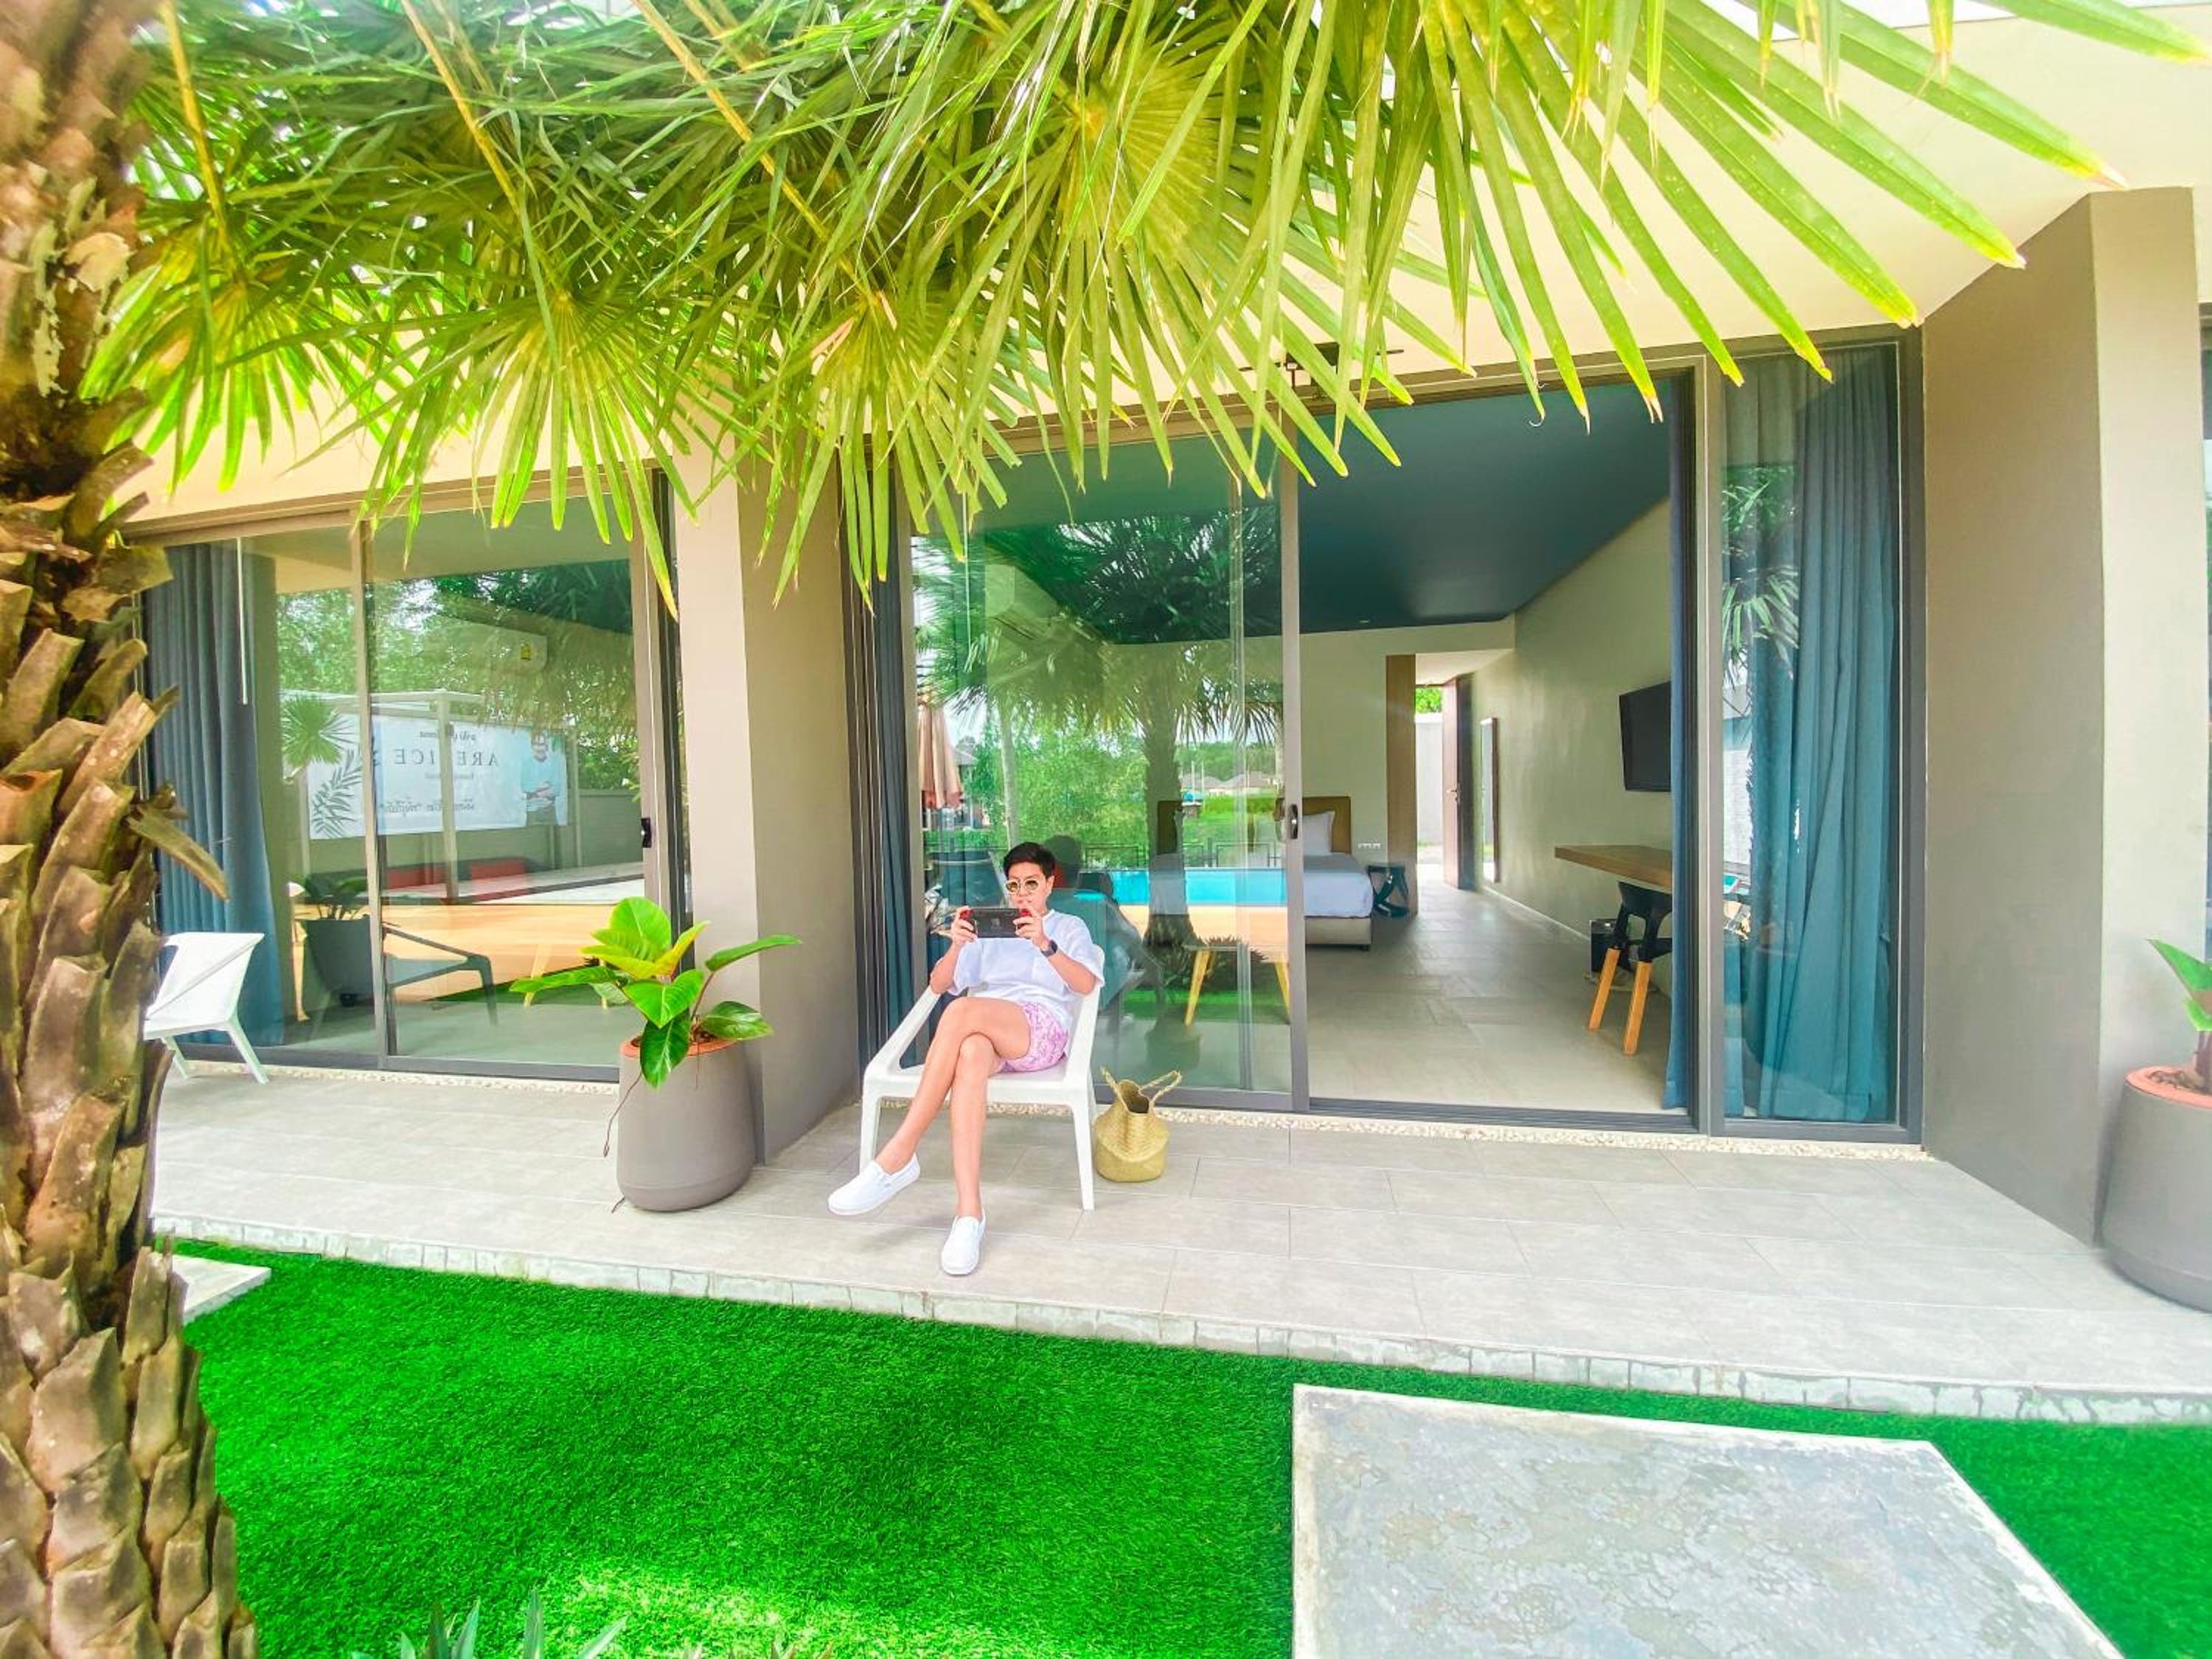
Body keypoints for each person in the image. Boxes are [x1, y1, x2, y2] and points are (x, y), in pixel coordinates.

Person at [829, 841, 1102, 1275]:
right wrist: (957, 946)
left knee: (961, 1012)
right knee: (971, 1051)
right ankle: (969, 1215)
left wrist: (1044, 944)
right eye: (1015, 885)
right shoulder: (990, 930)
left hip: (1039, 1031)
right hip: (989, 1033)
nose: (1022, 894)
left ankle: (899, 1153)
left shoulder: (1068, 927)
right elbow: (939, 984)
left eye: (1032, 884)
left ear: (1050, 884)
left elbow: (1086, 984)